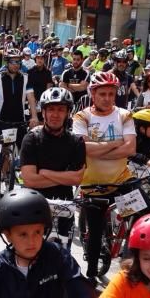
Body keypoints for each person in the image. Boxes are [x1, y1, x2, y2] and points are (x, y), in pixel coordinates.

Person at [72, 71, 138, 280]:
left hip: (121, 180)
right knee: (95, 235)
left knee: (146, 213)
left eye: (112, 94)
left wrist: (98, 148)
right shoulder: (82, 116)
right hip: (93, 184)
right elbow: (82, 148)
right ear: (93, 93)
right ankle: (91, 275)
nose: (108, 98)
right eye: (103, 94)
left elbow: (130, 148)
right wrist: (114, 144)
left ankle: (132, 261)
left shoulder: (124, 115)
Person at [20, 86, 86, 240]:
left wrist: (45, 173)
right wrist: (64, 177)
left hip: (64, 204)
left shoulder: (76, 142)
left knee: (63, 254)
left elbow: (77, 179)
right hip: (34, 201)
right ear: (43, 112)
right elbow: (29, 179)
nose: (55, 114)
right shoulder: (31, 139)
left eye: (61, 110)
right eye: (51, 109)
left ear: (67, 113)